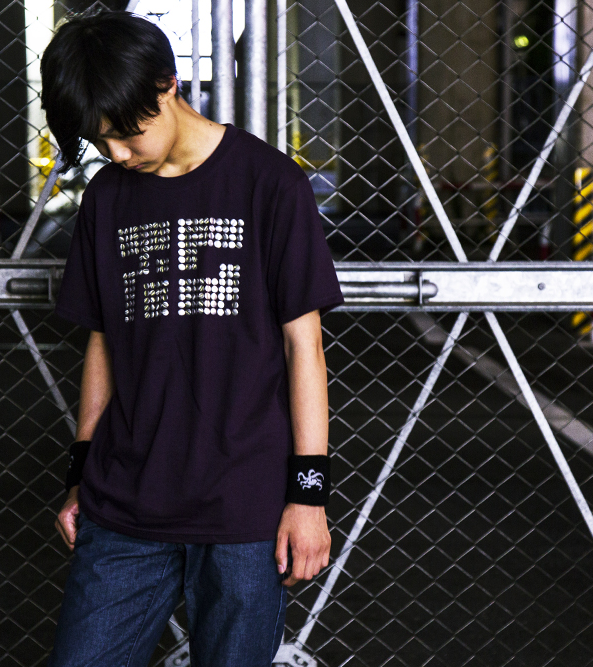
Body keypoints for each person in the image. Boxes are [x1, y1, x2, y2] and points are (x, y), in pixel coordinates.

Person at [41, 10, 344, 666]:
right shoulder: (107, 199)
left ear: (168, 86)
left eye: (126, 133)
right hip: (124, 504)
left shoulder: (270, 184)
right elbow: (103, 343)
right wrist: (80, 474)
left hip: (245, 508)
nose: (117, 154)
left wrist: (308, 494)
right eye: (99, 141)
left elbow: (305, 348)